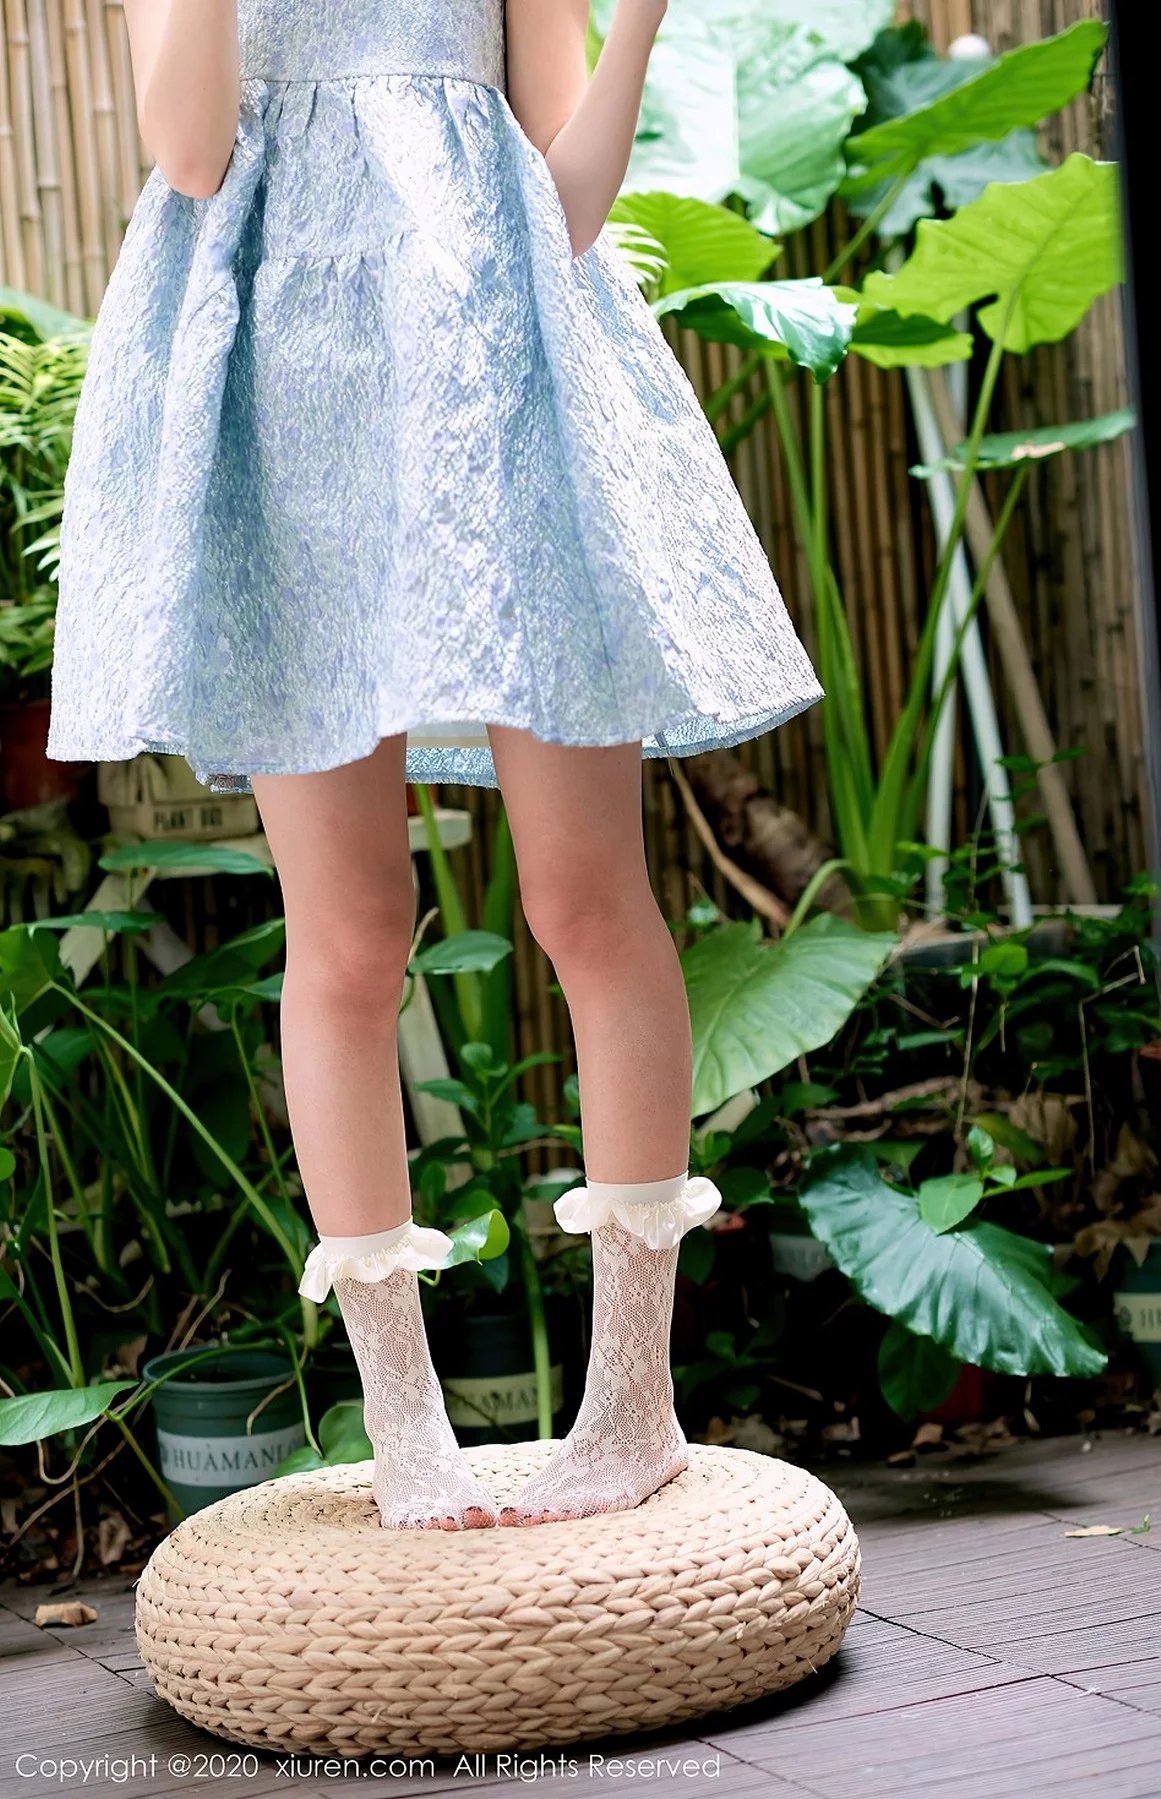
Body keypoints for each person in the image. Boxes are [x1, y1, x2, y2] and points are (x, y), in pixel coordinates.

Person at [48, 0, 822, 1530]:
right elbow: (190, 152)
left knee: (588, 900)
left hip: (504, 399)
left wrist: (639, 17)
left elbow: (571, 196)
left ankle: (635, 1401)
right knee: (347, 937)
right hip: (286, 420)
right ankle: (405, 1425)